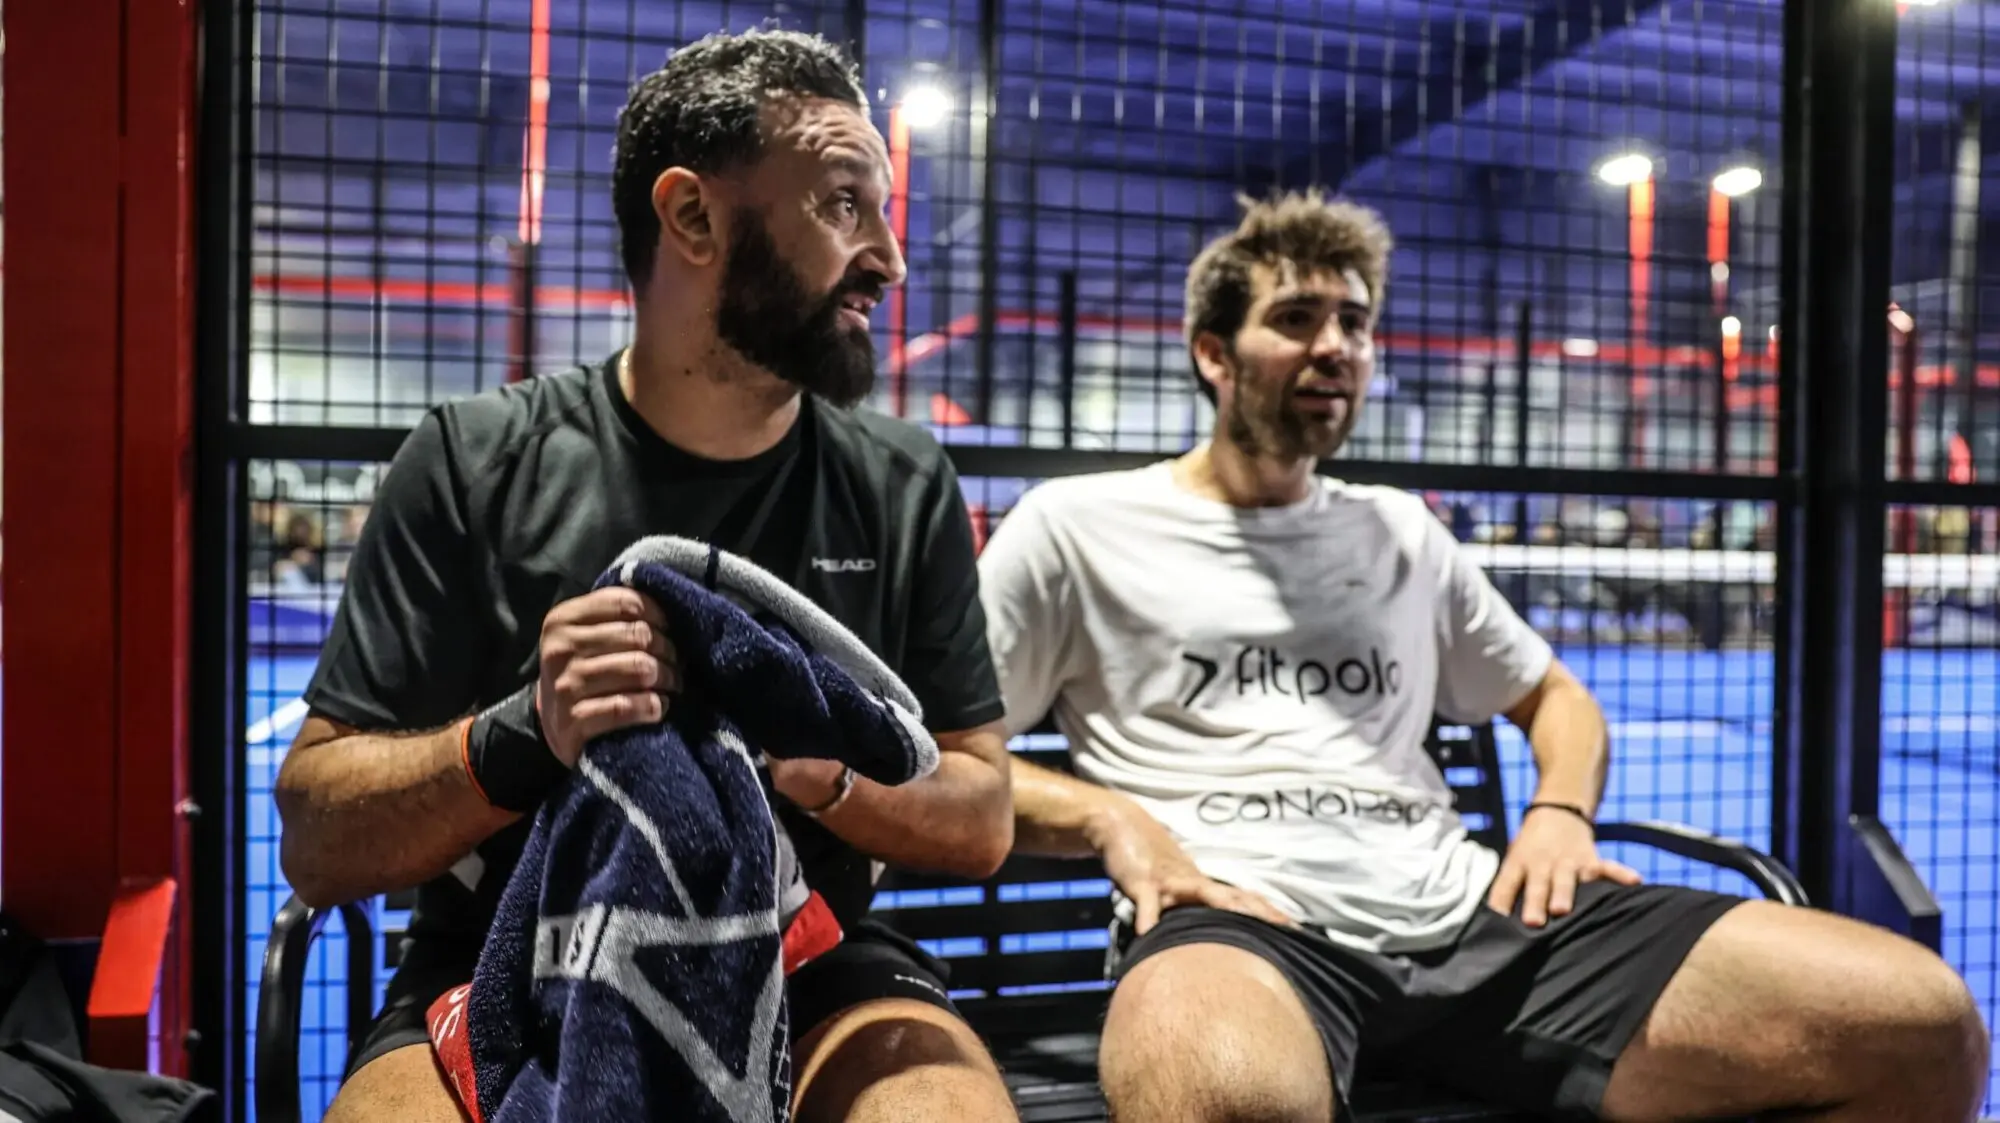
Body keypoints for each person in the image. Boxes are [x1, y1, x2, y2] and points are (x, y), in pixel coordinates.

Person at [976, 189, 1990, 1122]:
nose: (1334, 347)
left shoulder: (1398, 533)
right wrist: (1110, 818)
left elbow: (1553, 696)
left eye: (1354, 324)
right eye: (1295, 320)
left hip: (1479, 918)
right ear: (1212, 353)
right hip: (1241, 920)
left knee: (1919, 1028)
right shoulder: (1076, 526)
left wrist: (1556, 813)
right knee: (1222, 1098)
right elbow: (942, 755)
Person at [276, 28, 1020, 1123]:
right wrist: (527, 729)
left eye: (886, 209)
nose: (889, 258)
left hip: (814, 958)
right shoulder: (475, 457)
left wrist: (822, 760)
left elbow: (982, 814)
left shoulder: (900, 477)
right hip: (501, 951)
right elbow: (315, 838)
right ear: (692, 217)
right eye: (841, 203)